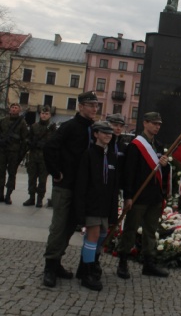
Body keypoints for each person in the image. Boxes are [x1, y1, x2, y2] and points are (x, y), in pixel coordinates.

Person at [42, 91, 98, 288]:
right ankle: (49, 266)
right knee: (58, 227)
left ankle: (57, 262)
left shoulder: (93, 129)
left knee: (69, 227)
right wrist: (56, 172)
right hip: (65, 186)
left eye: (96, 105)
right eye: (90, 105)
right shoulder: (69, 127)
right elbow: (49, 148)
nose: (94, 109)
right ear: (80, 106)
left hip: (80, 188)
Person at [117, 112, 170, 279]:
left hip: (154, 196)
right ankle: (123, 261)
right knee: (131, 229)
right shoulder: (135, 145)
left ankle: (149, 263)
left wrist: (165, 166)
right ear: (145, 123)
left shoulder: (159, 145)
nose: (157, 127)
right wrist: (128, 196)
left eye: (159, 124)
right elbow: (129, 173)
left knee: (150, 231)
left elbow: (163, 172)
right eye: (154, 123)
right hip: (139, 196)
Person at [74, 121, 119, 291]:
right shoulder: (89, 154)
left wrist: (113, 209)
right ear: (95, 134)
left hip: (105, 205)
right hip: (92, 203)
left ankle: (87, 265)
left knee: (102, 235)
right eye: (104, 132)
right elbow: (82, 184)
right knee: (93, 235)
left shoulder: (112, 156)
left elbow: (114, 185)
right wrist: (81, 209)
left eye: (110, 133)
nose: (108, 135)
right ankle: (87, 273)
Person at [23, 105, 56, 208]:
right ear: (39, 114)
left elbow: (55, 142)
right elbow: (27, 138)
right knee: (31, 178)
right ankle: (31, 197)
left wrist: (46, 145)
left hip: (44, 158)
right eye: (42, 113)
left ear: (50, 115)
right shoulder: (34, 126)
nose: (44, 115)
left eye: (46, 114)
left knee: (42, 180)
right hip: (33, 156)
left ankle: (39, 199)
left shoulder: (52, 127)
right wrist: (30, 143)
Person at [0, 103, 28, 204]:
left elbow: (25, 139)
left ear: (19, 110)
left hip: (14, 152)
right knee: (1, 173)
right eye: (12, 107)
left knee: (12, 174)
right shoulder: (3, 121)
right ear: (9, 109)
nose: (14, 109)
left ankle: (8, 195)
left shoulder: (22, 122)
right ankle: (0, 194)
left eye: (16, 108)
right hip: (2, 151)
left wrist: (21, 154)